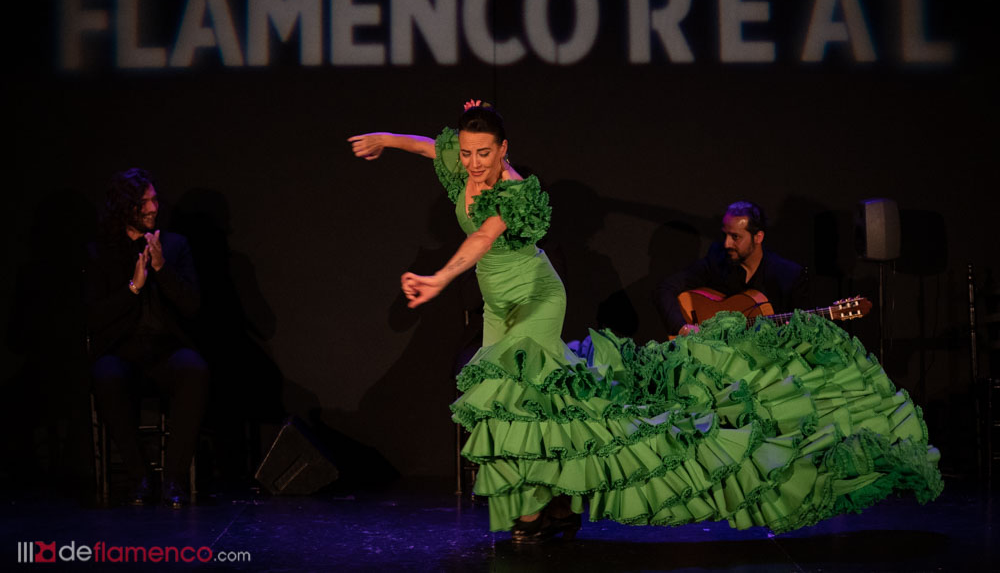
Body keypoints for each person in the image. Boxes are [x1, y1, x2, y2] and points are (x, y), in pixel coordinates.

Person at [350, 101, 942, 543]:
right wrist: (384, 139)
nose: (474, 165)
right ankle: (555, 503)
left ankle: (538, 508)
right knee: (504, 403)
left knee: (521, 396)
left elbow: (482, 238)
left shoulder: (517, 191)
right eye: (468, 154)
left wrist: (438, 278)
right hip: (495, 301)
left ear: (505, 150)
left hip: (534, 295)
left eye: (485, 154)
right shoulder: (460, 163)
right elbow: (428, 146)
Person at [85, 168, 209, 506]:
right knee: (105, 374)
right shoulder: (100, 252)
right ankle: (138, 475)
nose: (154, 208)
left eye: (154, 200)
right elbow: (93, 317)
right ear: (125, 207)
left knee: (194, 369)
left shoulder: (175, 245)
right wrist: (133, 288)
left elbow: (192, 306)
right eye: (144, 203)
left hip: (167, 350)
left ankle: (174, 479)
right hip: (121, 351)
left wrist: (161, 269)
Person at [656, 201, 808, 336]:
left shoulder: (788, 275)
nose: (727, 244)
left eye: (735, 237)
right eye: (725, 235)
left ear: (758, 237)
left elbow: (804, 327)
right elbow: (666, 288)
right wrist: (682, 328)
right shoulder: (717, 261)